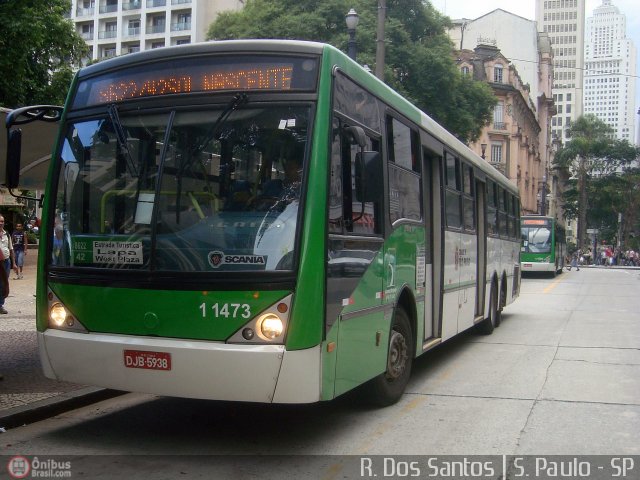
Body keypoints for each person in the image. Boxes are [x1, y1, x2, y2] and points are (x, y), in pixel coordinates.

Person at [0, 215, 16, 314]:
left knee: (4, 284)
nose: (1, 223)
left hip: (6, 262)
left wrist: (14, 263)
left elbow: (11, 249)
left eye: (2, 221)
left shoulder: (7, 235)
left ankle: (0, 305)